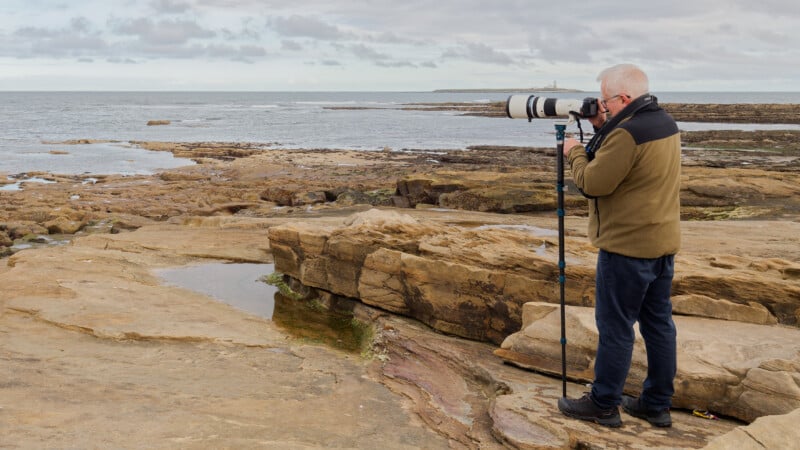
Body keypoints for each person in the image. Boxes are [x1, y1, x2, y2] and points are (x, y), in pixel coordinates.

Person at [556, 64, 681, 428]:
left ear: (623, 98)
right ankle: (656, 404)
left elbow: (593, 183)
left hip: (627, 248)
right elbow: (630, 169)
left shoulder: (627, 133)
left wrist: (574, 151)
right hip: (661, 243)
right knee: (659, 326)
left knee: (616, 328)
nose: (601, 105)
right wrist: (600, 127)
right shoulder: (663, 122)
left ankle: (603, 403)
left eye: (606, 99)